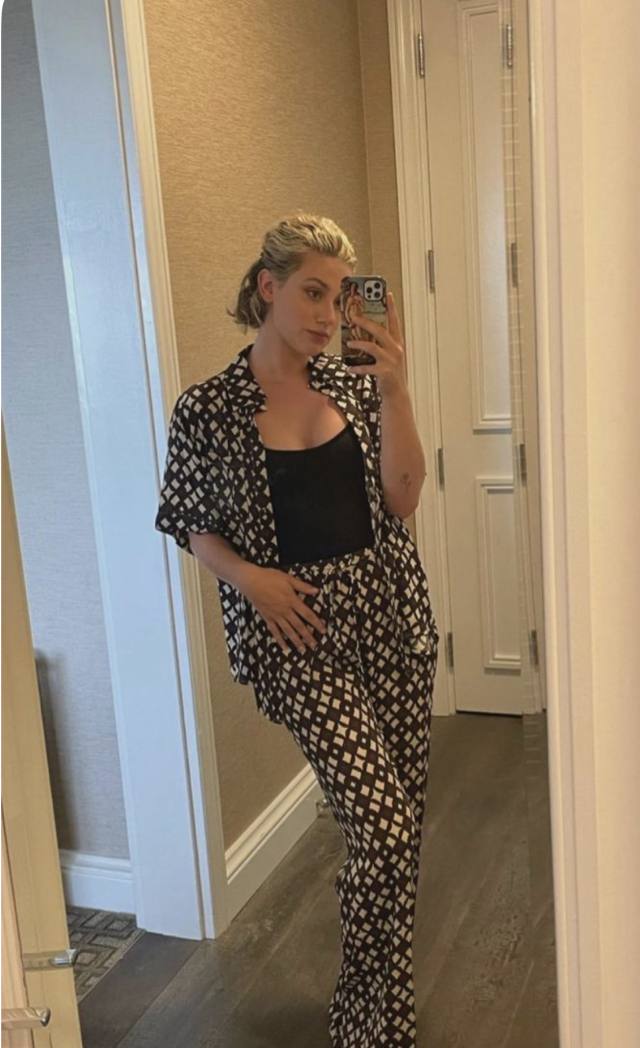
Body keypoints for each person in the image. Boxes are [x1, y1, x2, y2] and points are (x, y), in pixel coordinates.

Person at [154, 212, 439, 1048]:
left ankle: (379, 1012)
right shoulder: (209, 409)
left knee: (396, 836)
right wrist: (252, 579)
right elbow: (191, 521)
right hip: (301, 635)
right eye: (313, 292)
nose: (327, 314)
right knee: (383, 826)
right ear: (267, 287)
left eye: (342, 298)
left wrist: (397, 389)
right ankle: (365, 1016)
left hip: (391, 622)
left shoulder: (357, 384)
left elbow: (403, 499)